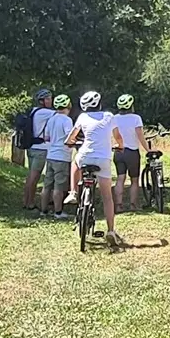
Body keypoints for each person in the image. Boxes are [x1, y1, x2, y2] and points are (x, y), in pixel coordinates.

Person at [64, 90, 126, 246]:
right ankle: (111, 230)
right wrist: (120, 146)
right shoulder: (109, 116)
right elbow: (118, 137)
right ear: (100, 103)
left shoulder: (82, 117)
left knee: (75, 163)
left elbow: (72, 136)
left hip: (85, 155)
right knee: (107, 197)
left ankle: (72, 192)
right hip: (104, 158)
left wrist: (70, 142)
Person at [38, 94, 75, 219]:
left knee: (47, 184)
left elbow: (47, 137)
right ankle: (58, 212)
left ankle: (43, 210)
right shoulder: (67, 120)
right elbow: (70, 137)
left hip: (51, 155)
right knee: (59, 186)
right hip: (62, 156)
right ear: (68, 106)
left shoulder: (51, 119)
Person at [20, 89, 56, 212]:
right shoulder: (46, 112)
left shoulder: (33, 111)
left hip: (31, 147)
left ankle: (26, 201)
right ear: (42, 101)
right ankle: (30, 203)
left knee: (30, 175)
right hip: (41, 149)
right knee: (34, 177)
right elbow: (61, 114)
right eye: (48, 99)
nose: (51, 101)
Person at [111, 94, 148, 211]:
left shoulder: (114, 118)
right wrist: (148, 149)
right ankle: (133, 205)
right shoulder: (136, 118)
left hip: (118, 151)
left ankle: (118, 205)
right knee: (134, 179)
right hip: (132, 152)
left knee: (120, 178)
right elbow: (140, 136)